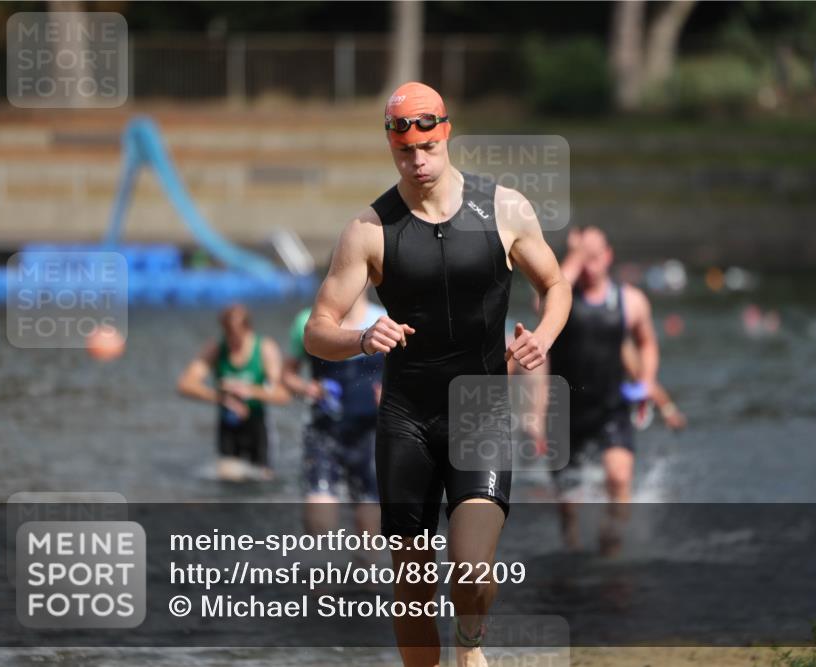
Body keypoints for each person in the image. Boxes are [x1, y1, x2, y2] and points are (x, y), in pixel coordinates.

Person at [304, 81, 571, 667]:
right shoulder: (370, 230)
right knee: (413, 589)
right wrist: (359, 337)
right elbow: (315, 329)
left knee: (472, 574)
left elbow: (555, 285)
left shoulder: (503, 208)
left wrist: (543, 337)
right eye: (405, 152)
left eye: (427, 147)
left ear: (446, 132)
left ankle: (470, 649)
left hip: (479, 411)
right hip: (405, 419)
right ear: (391, 147)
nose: (418, 162)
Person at [546, 226, 671, 554]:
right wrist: (575, 252)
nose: (590, 263)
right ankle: (572, 550)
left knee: (618, 476)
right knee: (569, 506)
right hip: (566, 410)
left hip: (610, 406)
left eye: (595, 255)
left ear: (608, 256)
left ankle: (611, 545)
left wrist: (646, 382)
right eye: (584, 258)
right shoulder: (562, 299)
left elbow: (647, 344)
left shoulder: (630, 300)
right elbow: (543, 298)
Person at [284, 288, 385, 539]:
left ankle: (366, 574)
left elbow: (409, 374)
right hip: (324, 432)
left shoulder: (384, 320)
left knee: (369, 530)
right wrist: (307, 387)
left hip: (370, 434)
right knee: (319, 524)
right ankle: (321, 574)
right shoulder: (308, 323)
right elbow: (286, 375)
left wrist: (392, 393)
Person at [176, 303, 289, 481]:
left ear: (248, 329)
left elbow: (283, 394)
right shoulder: (216, 348)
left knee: (263, 480)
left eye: (237, 336)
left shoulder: (265, 348)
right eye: (228, 335)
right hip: (228, 425)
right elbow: (185, 384)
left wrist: (249, 391)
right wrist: (221, 398)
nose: (233, 343)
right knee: (228, 480)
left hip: (256, 424)